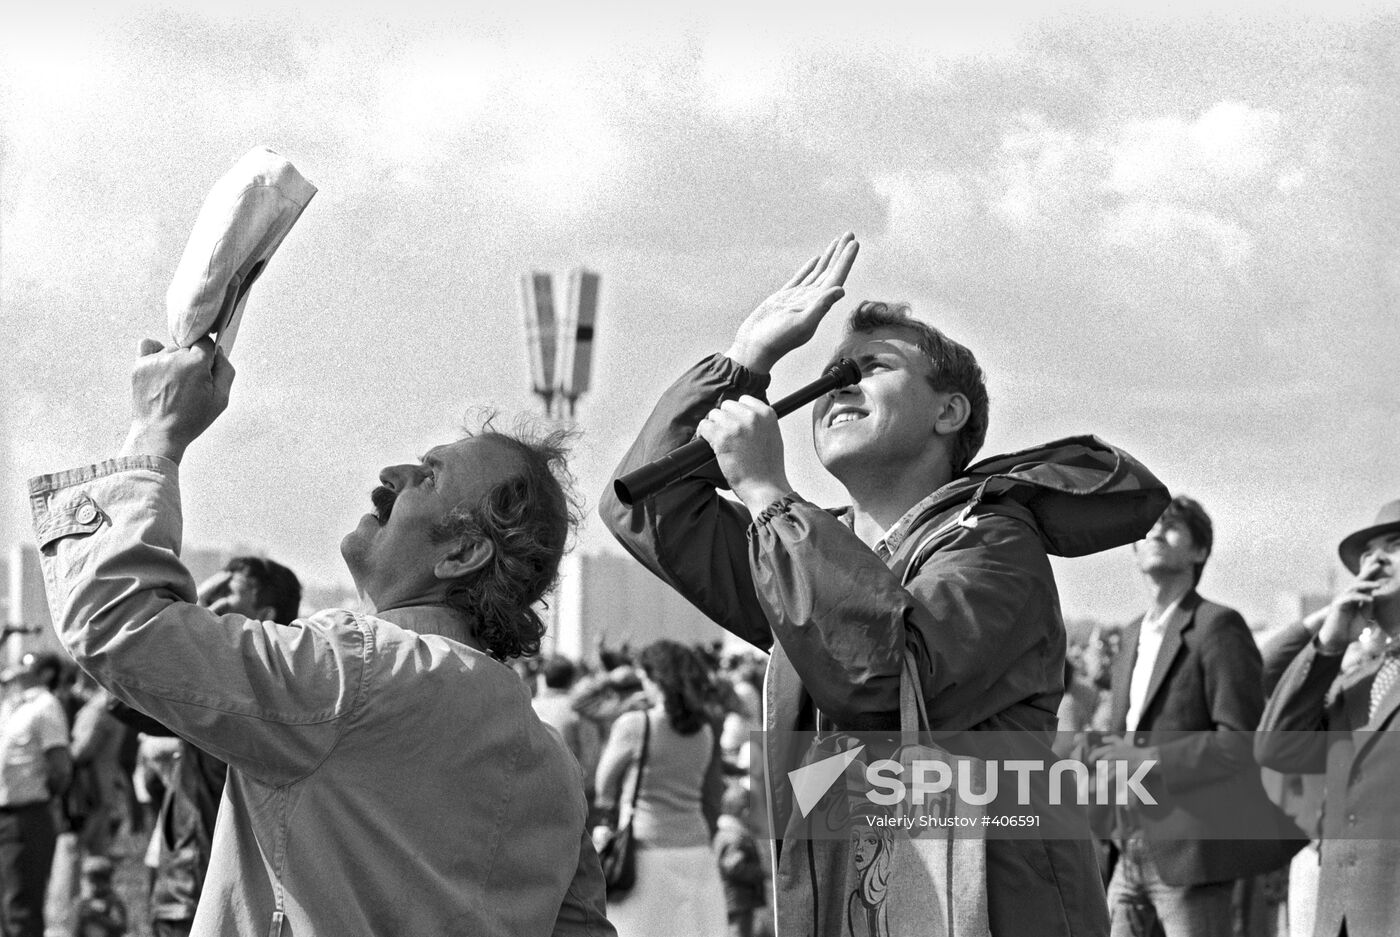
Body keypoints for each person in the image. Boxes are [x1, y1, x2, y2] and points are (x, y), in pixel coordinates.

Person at [600, 233, 1170, 936]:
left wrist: (769, 493)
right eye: (834, 369)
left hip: (987, 908)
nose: (838, 382)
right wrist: (744, 359)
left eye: (871, 366)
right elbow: (642, 506)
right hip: (851, 897)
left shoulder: (991, 538)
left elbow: (879, 680)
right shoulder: (811, 544)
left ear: (949, 411)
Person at [28, 338, 613, 936]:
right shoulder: (553, 771)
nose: (394, 474)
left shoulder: (354, 671)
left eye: (430, 477)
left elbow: (119, 622)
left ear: (463, 553)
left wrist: (156, 432)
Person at [1089, 497, 1303, 937]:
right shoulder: (1129, 635)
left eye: (1170, 527)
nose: (1154, 534)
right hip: (1124, 844)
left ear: (1199, 551)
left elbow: (1241, 743)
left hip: (1190, 850)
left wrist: (1146, 760)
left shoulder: (1217, 625)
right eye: (1146, 529)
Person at [111, 556, 303, 937]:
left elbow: (120, 691)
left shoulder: (240, 696)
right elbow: (121, 698)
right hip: (213, 891)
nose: (217, 609)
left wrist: (194, 609)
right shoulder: (282, 692)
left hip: (200, 892)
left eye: (229, 596)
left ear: (264, 615)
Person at [1256, 499, 1400, 937]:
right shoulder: (1352, 677)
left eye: (1393, 544)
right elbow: (1276, 748)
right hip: (1341, 918)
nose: (1374, 560)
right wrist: (1328, 641)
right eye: (1366, 553)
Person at [593, 640, 726, 936]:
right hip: (697, 847)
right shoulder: (704, 729)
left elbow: (604, 782)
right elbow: (712, 791)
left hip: (646, 849)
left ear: (656, 679)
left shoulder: (635, 724)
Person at [0, 653, 72, 937]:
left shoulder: (45, 706)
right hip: (8, 815)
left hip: (27, 816)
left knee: (22, 908)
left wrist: (43, 797)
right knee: (6, 908)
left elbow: (60, 768)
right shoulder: (13, 705)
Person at [535, 656, 602, 802]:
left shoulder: (529, 705)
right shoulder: (577, 710)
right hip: (570, 792)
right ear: (572, 679)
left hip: (532, 788)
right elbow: (591, 756)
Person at [715, 782, 766, 937]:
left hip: (734, 900)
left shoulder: (725, 833)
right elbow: (733, 866)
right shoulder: (735, 837)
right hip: (738, 901)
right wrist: (761, 873)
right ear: (745, 813)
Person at [70, 856, 127, 937]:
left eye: (98, 882)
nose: (94, 887)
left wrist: (96, 916)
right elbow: (75, 929)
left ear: (106, 881)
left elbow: (120, 927)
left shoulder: (113, 901)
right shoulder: (83, 902)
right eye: (91, 882)